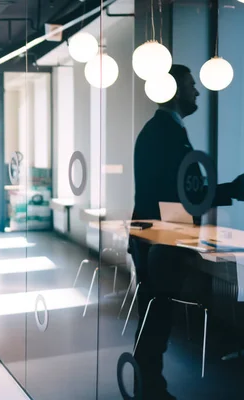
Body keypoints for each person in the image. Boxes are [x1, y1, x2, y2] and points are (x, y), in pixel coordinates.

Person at [129, 64, 244, 399]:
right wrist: (229, 190)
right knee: (156, 317)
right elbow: (181, 193)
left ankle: (149, 387)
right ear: (177, 90)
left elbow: (181, 190)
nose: (197, 91)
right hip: (160, 241)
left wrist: (226, 191)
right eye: (192, 86)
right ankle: (150, 389)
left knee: (155, 316)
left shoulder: (162, 130)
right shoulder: (165, 133)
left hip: (156, 240)